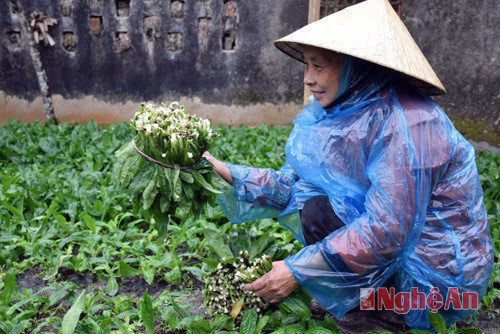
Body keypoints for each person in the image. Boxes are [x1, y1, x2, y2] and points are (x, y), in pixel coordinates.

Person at [203, 0, 493, 330]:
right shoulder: (351, 111)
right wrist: (224, 171)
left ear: (356, 67)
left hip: (438, 281)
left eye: (319, 66)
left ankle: (384, 317)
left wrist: (299, 270)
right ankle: (362, 301)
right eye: (306, 65)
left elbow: (387, 231)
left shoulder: (409, 125)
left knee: (322, 216)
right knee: (315, 208)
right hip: (400, 255)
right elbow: (295, 186)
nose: (308, 79)